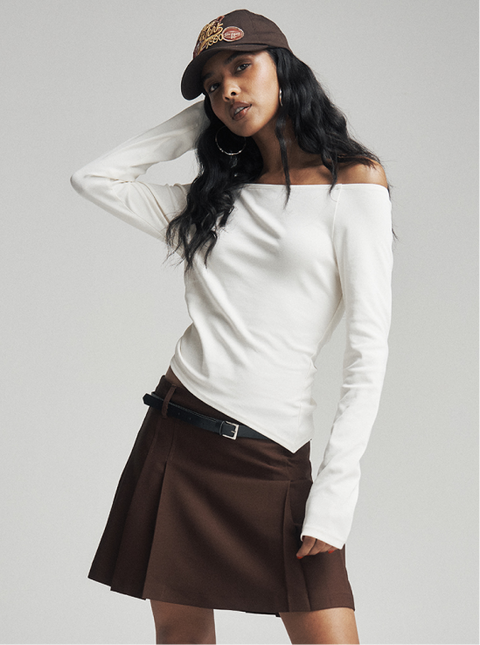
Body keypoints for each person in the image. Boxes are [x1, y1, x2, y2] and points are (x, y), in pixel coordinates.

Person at [71, 9, 392, 645]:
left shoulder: (353, 183)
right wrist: (208, 117)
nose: (230, 89)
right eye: (214, 84)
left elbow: (368, 349)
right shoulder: (210, 202)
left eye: (242, 67)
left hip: (273, 449)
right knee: (181, 635)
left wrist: (336, 492)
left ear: (286, 69)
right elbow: (94, 178)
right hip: (178, 432)